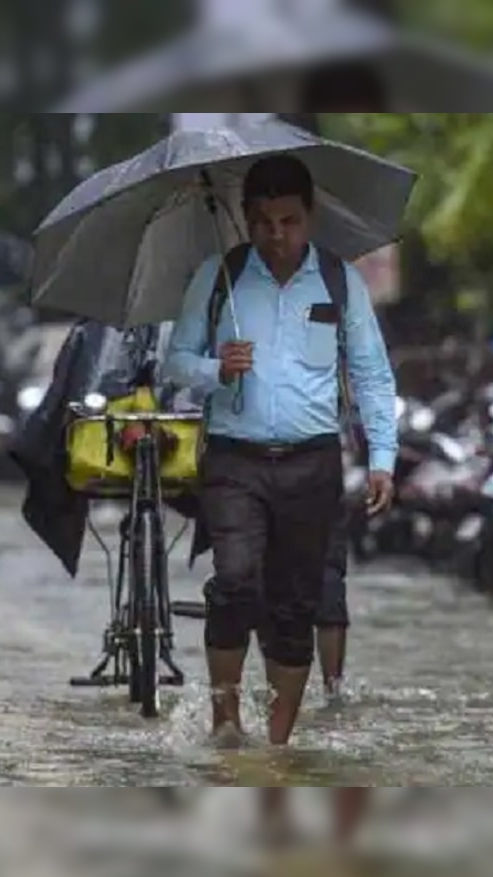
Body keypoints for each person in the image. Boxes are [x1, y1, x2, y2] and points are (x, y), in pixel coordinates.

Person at [164, 154, 398, 749]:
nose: (276, 235)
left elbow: (372, 375)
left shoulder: (341, 282)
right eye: (264, 222)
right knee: (236, 582)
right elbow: (177, 364)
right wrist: (217, 368)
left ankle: (277, 747)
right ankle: (224, 722)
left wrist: (382, 459)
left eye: (289, 221)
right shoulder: (218, 278)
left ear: (309, 218)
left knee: (297, 602)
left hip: (312, 461)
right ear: (245, 219)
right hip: (234, 461)